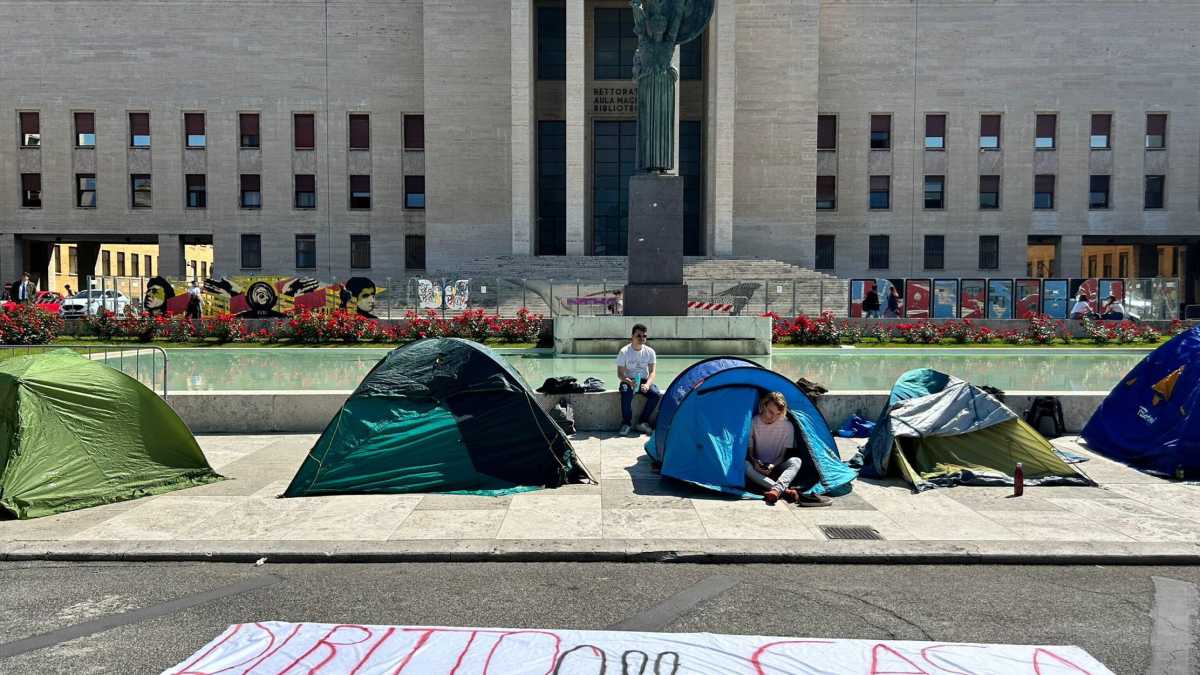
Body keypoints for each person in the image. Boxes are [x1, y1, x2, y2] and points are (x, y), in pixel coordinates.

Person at [745, 392, 831, 506]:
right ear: (763, 405)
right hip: (758, 467)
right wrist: (755, 463)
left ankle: (776, 490)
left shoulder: (787, 426)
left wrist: (773, 465)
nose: (773, 417)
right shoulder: (753, 422)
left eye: (778, 414)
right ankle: (783, 491)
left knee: (796, 461)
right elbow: (750, 452)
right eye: (771, 412)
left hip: (777, 466)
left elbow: (782, 455)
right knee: (744, 465)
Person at [616, 323, 660, 436]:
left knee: (655, 394)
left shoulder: (650, 352)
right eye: (638, 336)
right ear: (632, 336)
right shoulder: (624, 352)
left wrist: (647, 385)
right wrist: (630, 382)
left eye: (644, 336)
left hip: (644, 381)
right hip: (628, 380)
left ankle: (642, 422)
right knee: (626, 393)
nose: (642, 338)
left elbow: (652, 372)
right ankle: (626, 423)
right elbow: (620, 374)